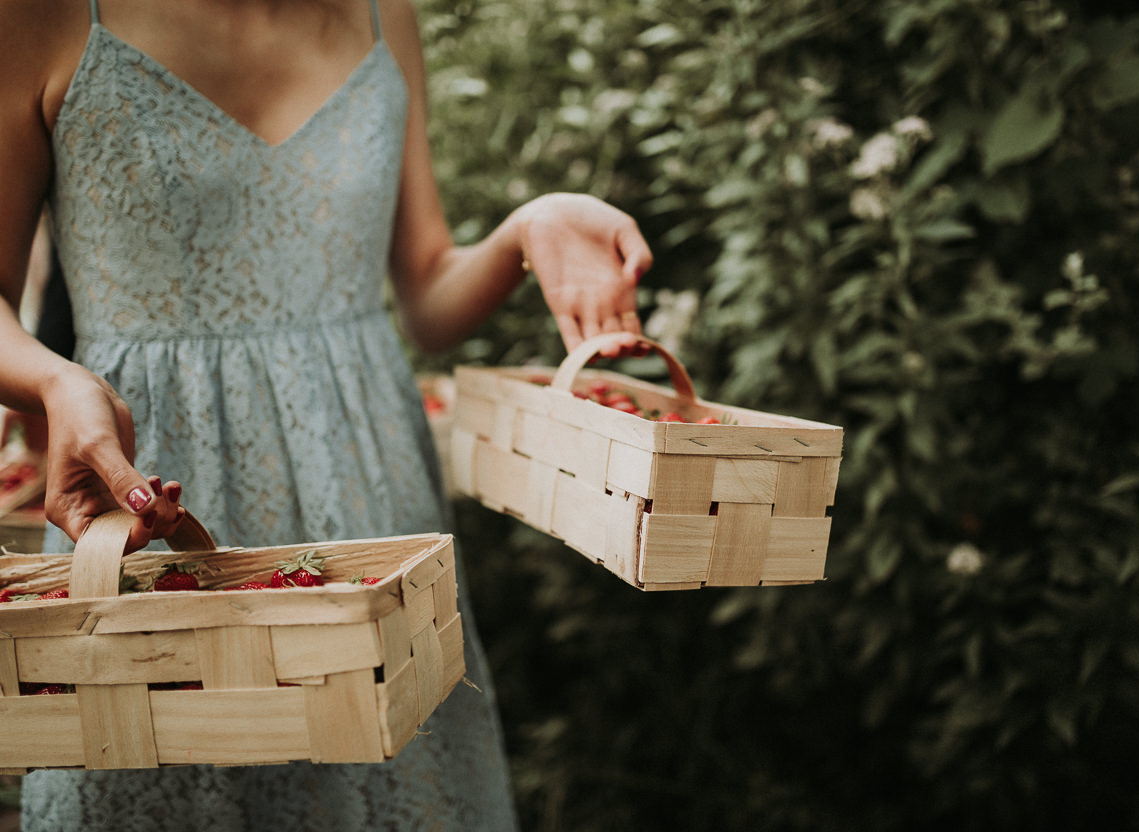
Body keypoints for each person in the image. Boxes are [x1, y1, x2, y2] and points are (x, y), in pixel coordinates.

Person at [0, 0, 652, 828]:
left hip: (374, 510)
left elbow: (426, 295)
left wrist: (531, 226)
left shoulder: (385, 14)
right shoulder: (44, 14)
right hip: (156, 509)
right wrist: (60, 384)